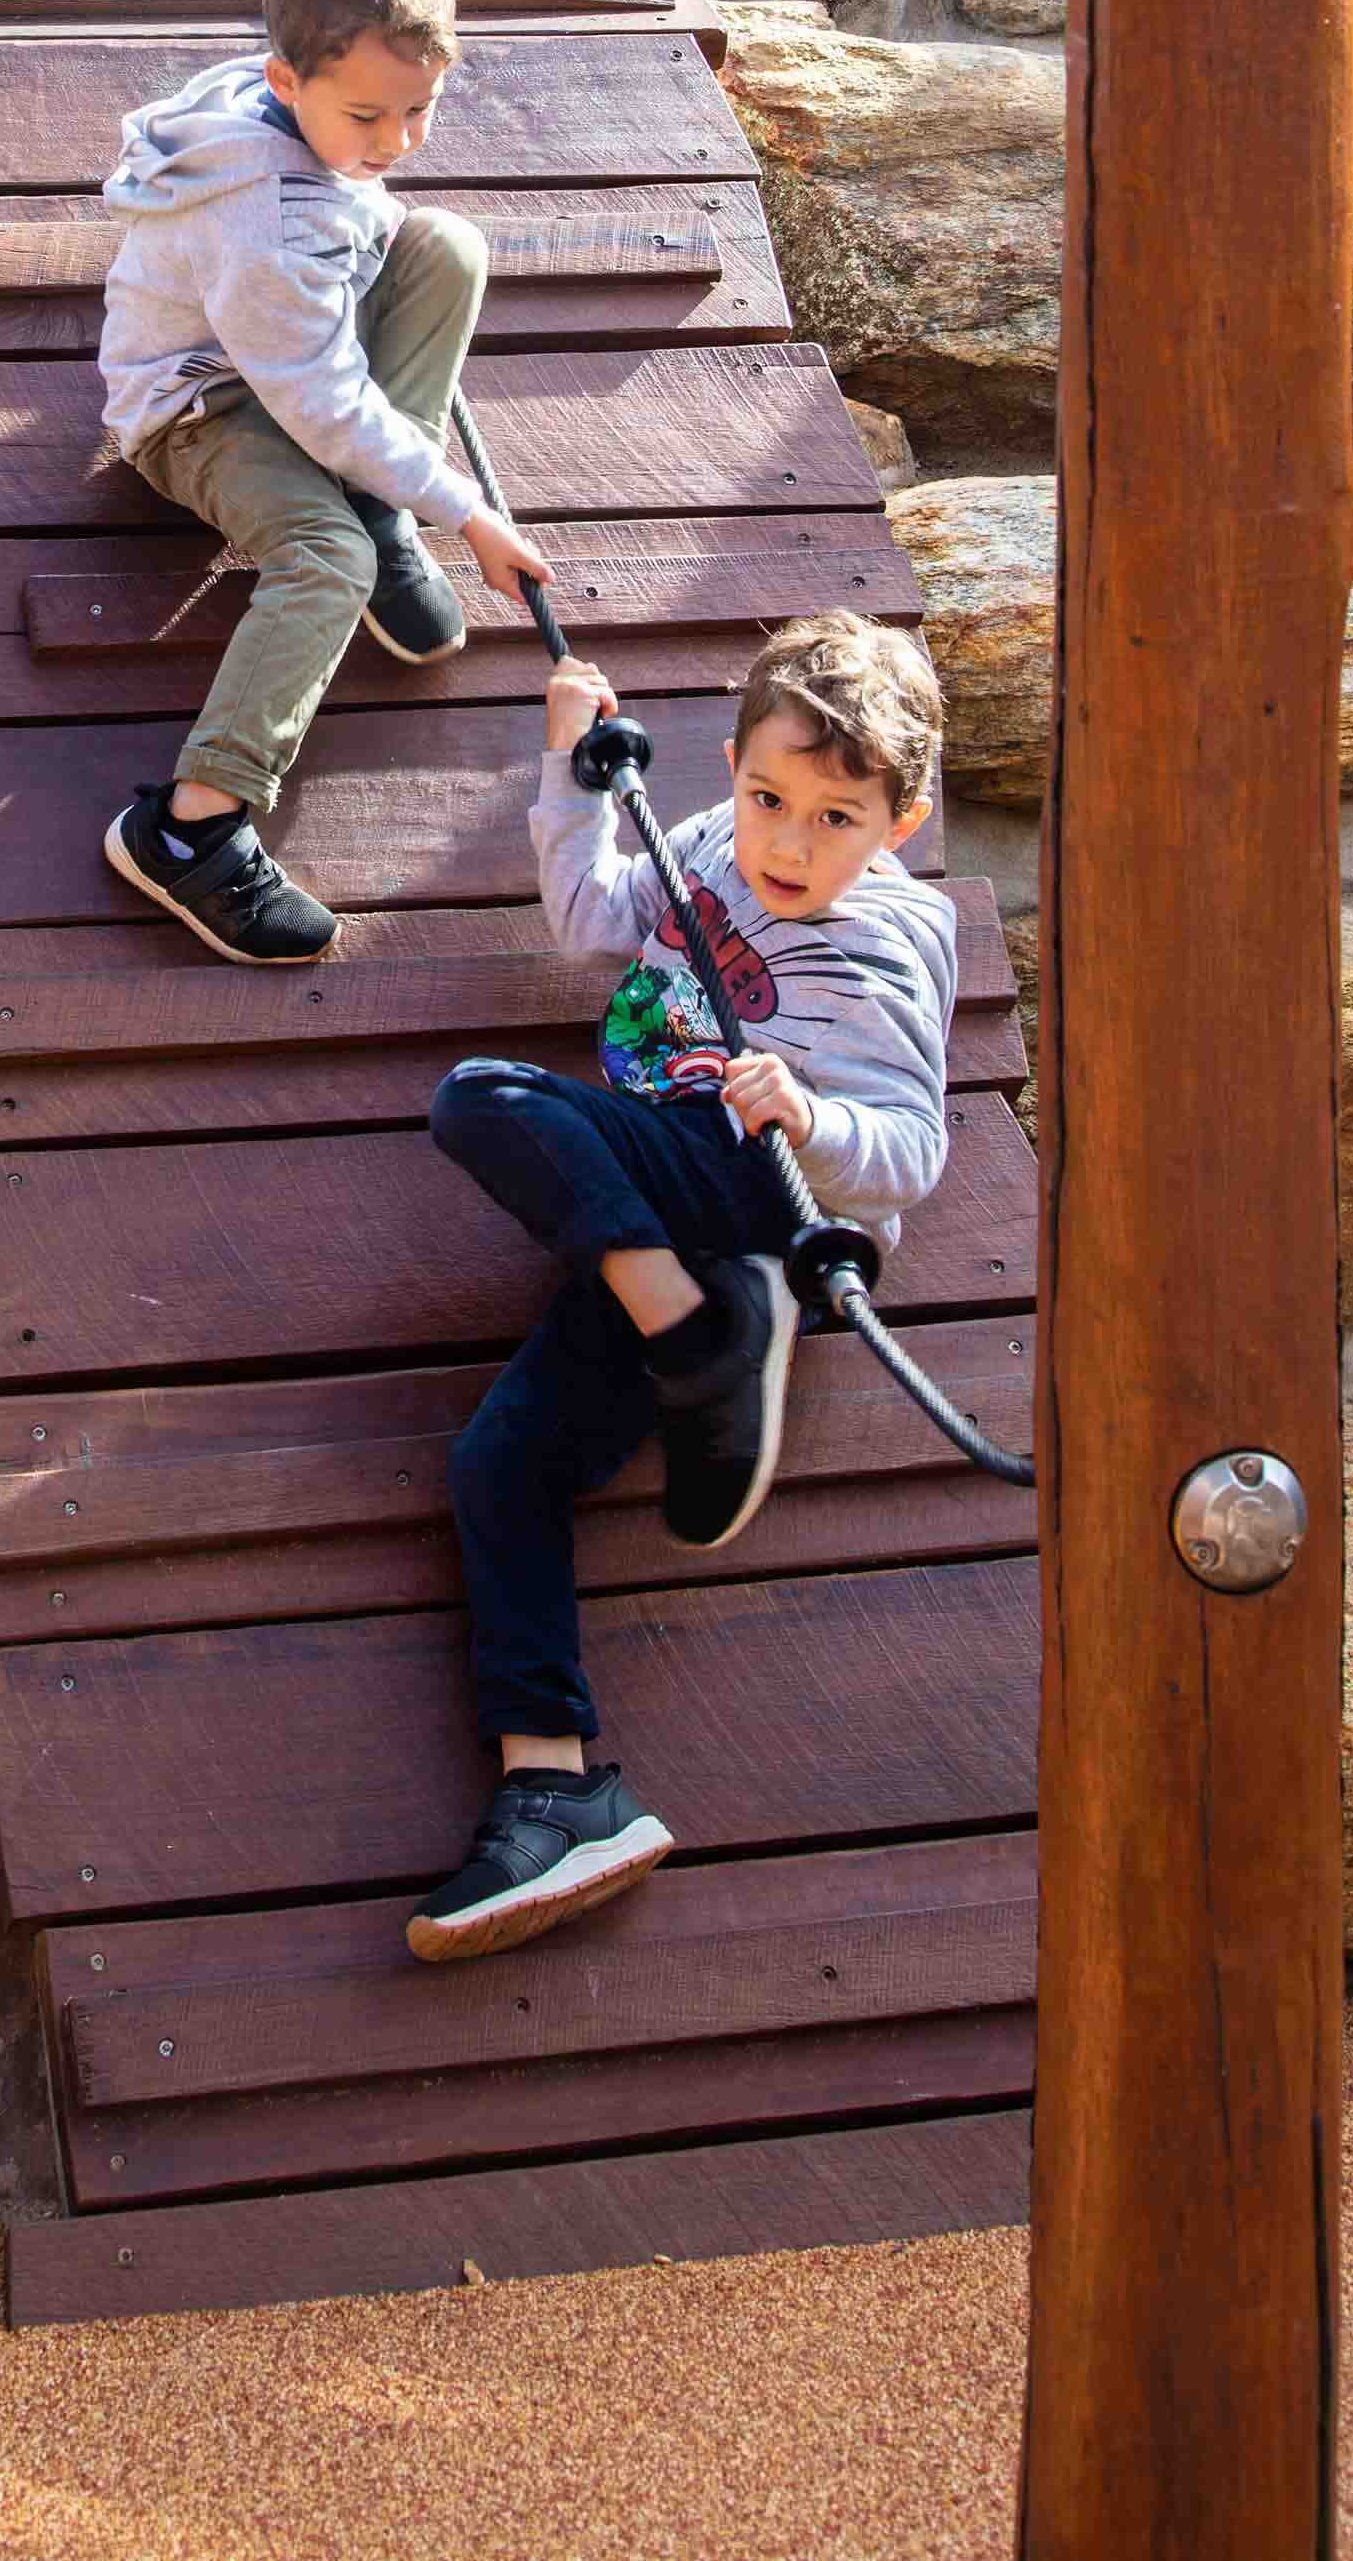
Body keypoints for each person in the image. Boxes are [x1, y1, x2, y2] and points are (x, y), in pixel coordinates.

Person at [406, 613, 955, 1963]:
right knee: (500, 1465)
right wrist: (565, 771)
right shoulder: (707, 843)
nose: (789, 842)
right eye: (770, 797)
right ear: (732, 769)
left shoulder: (885, 943)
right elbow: (591, 916)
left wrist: (812, 1114)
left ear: (899, 824)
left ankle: (703, 1338)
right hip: (651, 1224)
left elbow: (913, 1151)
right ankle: (557, 1790)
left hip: (755, 1195)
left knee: (489, 1098)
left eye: (836, 819)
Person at [95, 0, 550, 963]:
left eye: (419, 109)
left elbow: (348, 258)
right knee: (328, 560)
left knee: (445, 247)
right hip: (202, 406)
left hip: (294, 349)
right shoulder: (264, 227)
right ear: (286, 81)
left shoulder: (304, 117)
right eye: (367, 117)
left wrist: (400, 474)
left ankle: (369, 499)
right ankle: (192, 827)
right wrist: (463, 510)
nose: (397, 139)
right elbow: (322, 398)